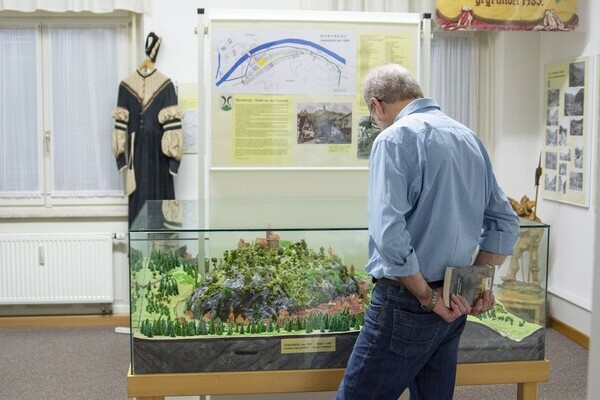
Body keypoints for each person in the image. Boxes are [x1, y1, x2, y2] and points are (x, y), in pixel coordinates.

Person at [336, 64, 519, 400]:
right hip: (455, 300)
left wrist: (427, 297)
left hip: (408, 302)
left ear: (376, 105)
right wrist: (475, 283)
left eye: (373, 113)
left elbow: (389, 235)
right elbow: (505, 221)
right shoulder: (469, 137)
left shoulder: (393, 139)